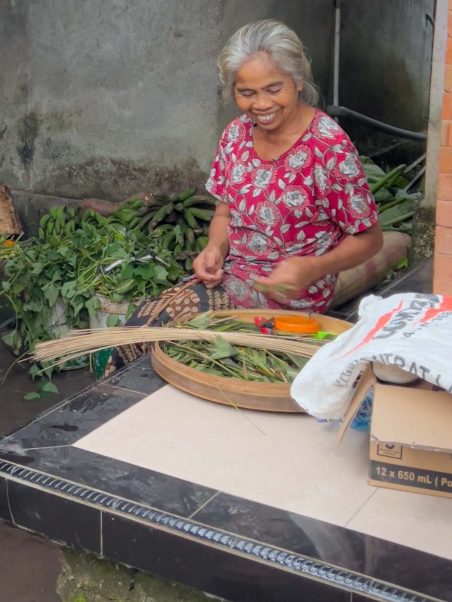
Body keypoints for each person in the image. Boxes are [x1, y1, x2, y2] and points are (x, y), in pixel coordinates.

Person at [109, 19, 383, 372]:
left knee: (157, 335)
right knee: (138, 334)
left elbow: (370, 239)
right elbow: (225, 212)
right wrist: (214, 249)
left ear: (298, 81)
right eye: (247, 93)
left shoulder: (328, 146)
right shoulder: (236, 135)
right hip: (232, 279)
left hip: (291, 297)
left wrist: (311, 268)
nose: (261, 104)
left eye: (274, 89)